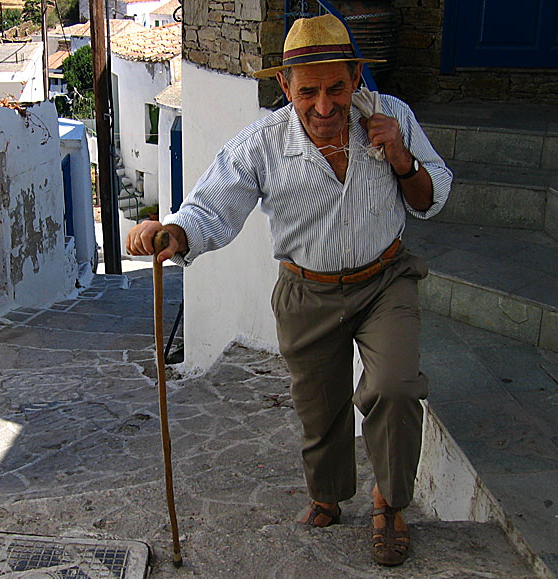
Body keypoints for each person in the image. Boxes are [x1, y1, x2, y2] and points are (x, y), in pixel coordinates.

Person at [127, 14, 452, 567]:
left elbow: (431, 197)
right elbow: (212, 207)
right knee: (319, 406)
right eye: (309, 92)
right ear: (285, 87)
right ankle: (328, 494)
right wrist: (174, 233)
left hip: (385, 281)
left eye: (337, 89)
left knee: (396, 388)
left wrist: (401, 158)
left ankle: (390, 503)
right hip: (308, 291)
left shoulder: (392, 117)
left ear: (356, 78)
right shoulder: (263, 143)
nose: (324, 106)